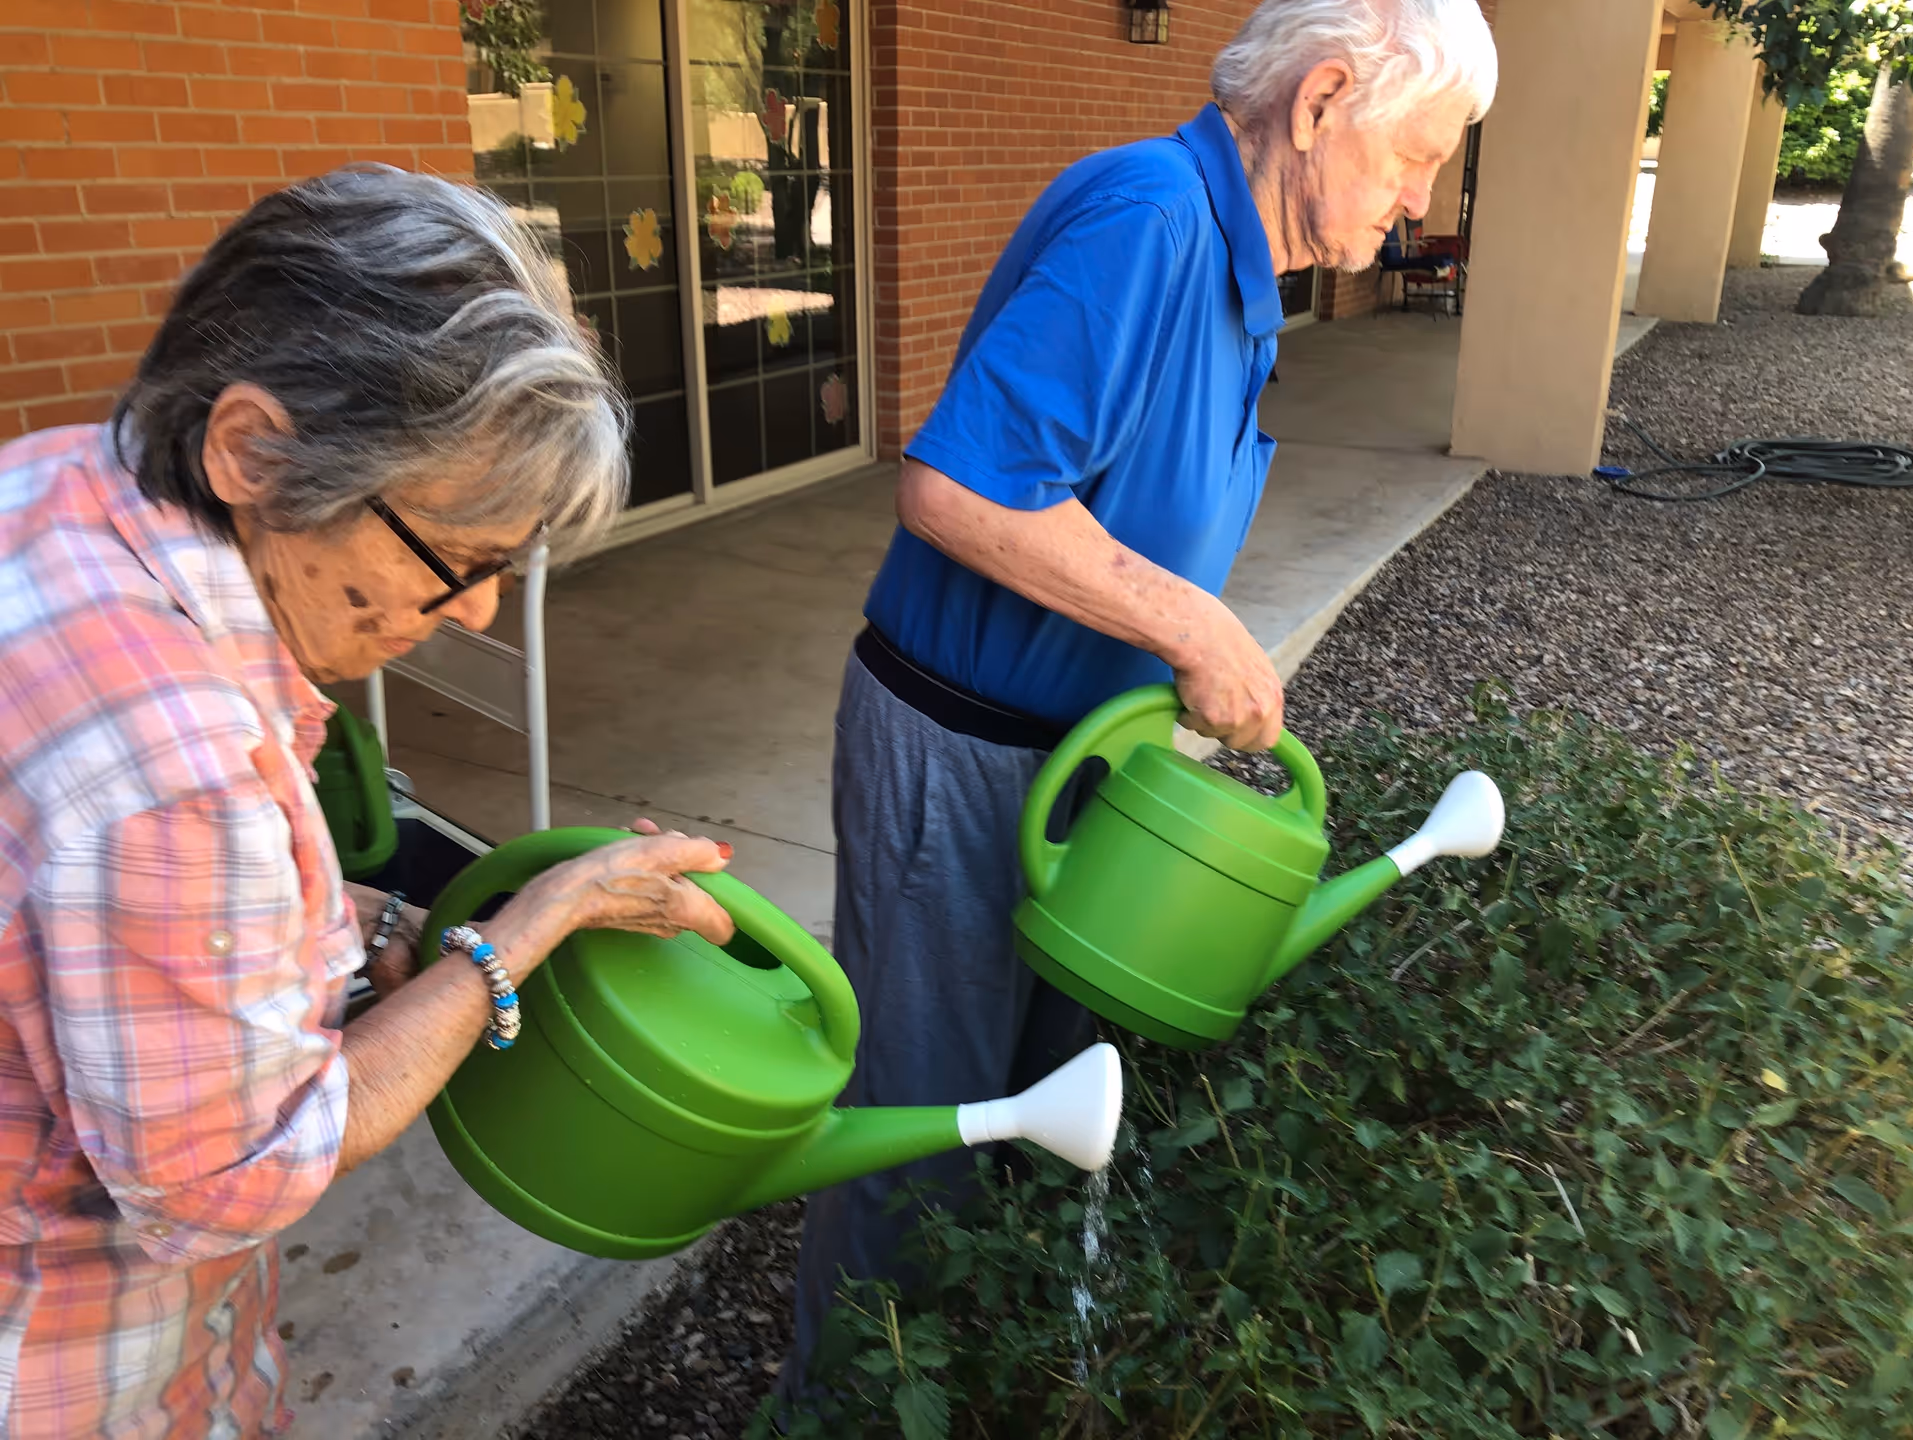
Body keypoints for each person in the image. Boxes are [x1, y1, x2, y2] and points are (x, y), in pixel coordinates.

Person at [783, 0, 1498, 1391]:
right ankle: (845, 1412)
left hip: (1075, 775)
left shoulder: (1241, 280)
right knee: (929, 1141)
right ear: (1322, 99)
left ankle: (980, 1390)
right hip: (958, 756)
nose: (1421, 199)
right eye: (1416, 156)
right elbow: (958, 486)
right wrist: (1194, 625)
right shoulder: (1151, 222)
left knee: (1052, 1120)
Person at [0, 166, 737, 1438]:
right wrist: (521, 934)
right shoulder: (180, 765)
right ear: (250, 449)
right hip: (70, 1368)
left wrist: (366, 933)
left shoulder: (59, 483)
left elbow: (100, 924)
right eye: (461, 556)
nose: (479, 609)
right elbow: (221, 1180)